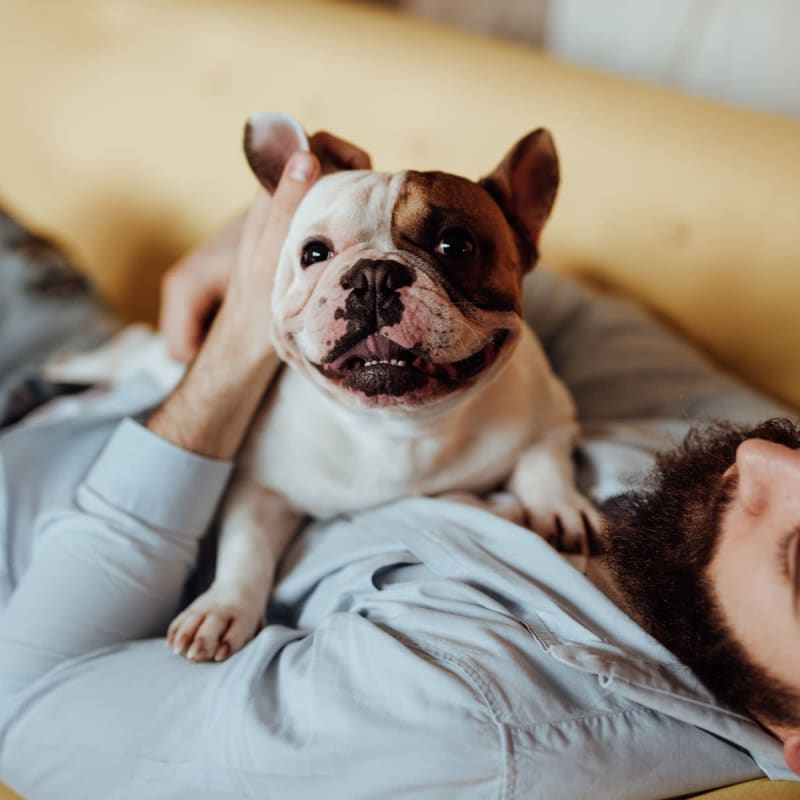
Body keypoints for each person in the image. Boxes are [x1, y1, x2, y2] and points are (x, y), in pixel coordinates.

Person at [0, 142, 797, 799]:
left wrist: (238, 345)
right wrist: (270, 253)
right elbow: (551, 313)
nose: (762, 459)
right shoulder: (726, 457)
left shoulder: (469, 717)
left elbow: (29, 715)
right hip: (89, 345)